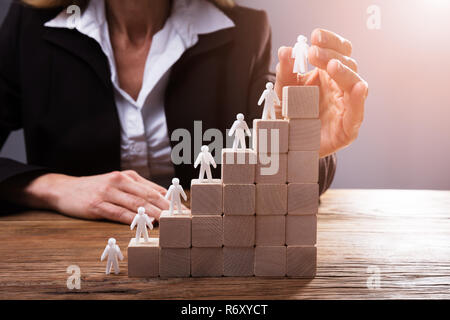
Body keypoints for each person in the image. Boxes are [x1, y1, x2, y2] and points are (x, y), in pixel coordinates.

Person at [0, 0, 368, 224]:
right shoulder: (28, 27)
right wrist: (52, 188)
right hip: (65, 259)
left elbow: (280, 146)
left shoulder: (245, 32)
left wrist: (298, 144)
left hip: (209, 264)